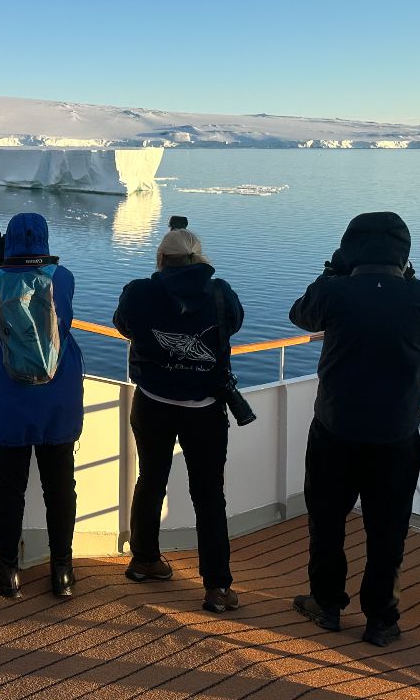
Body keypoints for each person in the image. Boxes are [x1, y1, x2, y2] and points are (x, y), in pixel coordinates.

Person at [289, 211, 420, 646]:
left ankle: (326, 605)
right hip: (395, 436)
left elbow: (299, 316)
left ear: (349, 249)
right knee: (388, 530)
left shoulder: (335, 292)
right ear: (404, 252)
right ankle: (381, 619)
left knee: (326, 524)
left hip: (335, 432)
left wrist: (329, 273)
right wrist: (410, 280)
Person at [112, 227, 243, 614]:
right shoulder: (220, 293)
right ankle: (217, 587)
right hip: (204, 410)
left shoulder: (138, 291)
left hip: (152, 403)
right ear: (199, 258)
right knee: (208, 495)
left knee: (151, 479)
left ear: (161, 258)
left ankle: (145, 560)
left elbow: (124, 325)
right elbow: (233, 325)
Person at [0, 213, 84, 599]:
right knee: (60, 487)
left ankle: (7, 566)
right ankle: (63, 571)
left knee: (10, 485)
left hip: (11, 397)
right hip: (58, 396)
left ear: (8, 242)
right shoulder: (64, 277)